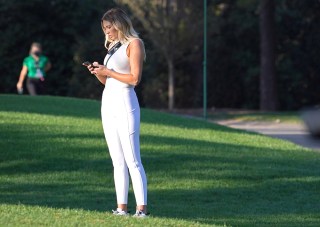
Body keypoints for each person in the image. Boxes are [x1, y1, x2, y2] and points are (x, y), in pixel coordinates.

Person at [84, 8, 148, 217]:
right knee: (117, 160)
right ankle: (121, 208)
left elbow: (134, 79)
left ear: (120, 25)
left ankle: (142, 210)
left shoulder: (134, 44)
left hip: (125, 103)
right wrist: (99, 72)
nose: (107, 32)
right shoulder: (113, 47)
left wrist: (109, 71)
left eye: (110, 27)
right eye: (105, 28)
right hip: (108, 104)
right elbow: (108, 81)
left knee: (133, 158)